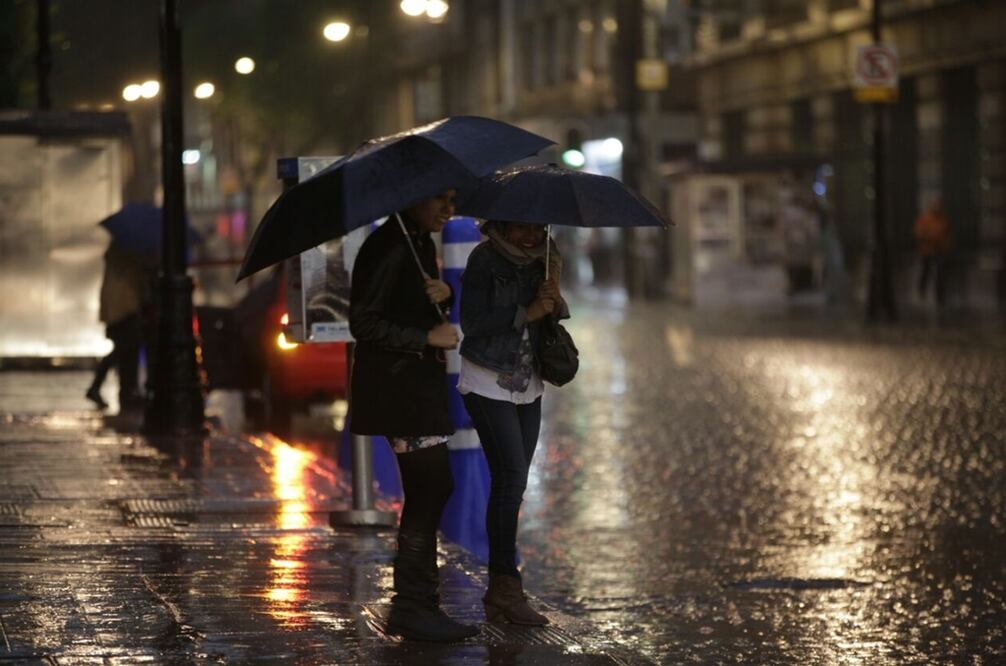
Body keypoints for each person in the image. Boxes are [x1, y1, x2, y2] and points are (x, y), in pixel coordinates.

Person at [348, 189, 478, 643]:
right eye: (439, 200)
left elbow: (410, 303)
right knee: (431, 486)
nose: (449, 209)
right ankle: (413, 605)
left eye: (452, 200)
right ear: (411, 200)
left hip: (415, 387)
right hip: (399, 389)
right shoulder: (389, 245)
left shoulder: (418, 240)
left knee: (432, 486)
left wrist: (446, 292)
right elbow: (363, 322)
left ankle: (418, 604)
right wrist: (426, 337)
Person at [458, 220, 566, 626]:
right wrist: (527, 310)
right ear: (501, 226)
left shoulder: (547, 260)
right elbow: (473, 322)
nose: (530, 236)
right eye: (521, 229)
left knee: (514, 483)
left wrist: (554, 302)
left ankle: (501, 588)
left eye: (536, 229)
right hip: (488, 378)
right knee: (510, 476)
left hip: (529, 381)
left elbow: (549, 321)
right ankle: (505, 586)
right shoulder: (484, 259)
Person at [85, 243, 151, 411]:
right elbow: (135, 285)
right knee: (125, 350)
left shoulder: (118, 257)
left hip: (119, 311)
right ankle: (103, 388)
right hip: (125, 311)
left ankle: (126, 391)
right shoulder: (127, 258)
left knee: (126, 351)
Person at [914, 197, 951, 306]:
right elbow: (919, 233)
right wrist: (931, 237)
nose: (937, 207)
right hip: (927, 251)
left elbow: (946, 235)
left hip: (939, 251)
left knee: (940, 274)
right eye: (935, 205)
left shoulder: (943, 220)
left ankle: (940, 296)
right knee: (926, 272)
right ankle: (922, 293)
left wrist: (945, 245)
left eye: (938, 205)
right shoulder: (924, 219)